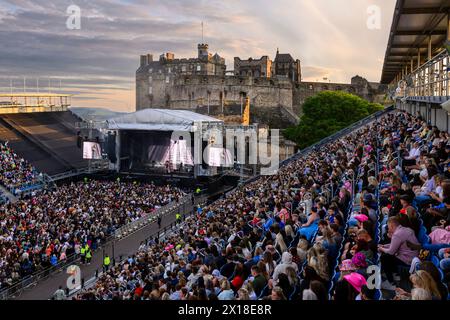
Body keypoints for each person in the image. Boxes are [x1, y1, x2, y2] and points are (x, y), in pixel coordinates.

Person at [378, 216, 420, 290]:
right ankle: (395, 275)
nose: (388, 228)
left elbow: (391, 251)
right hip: (414, 256)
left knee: (384, 257)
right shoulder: (407, 229)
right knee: (387, 256)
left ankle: (390, 282)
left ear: (392, 225)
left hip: (408, 260)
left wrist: (381, 248)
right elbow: (395, 245)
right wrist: (384, 246)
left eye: (388, 226)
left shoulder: (397, 234)